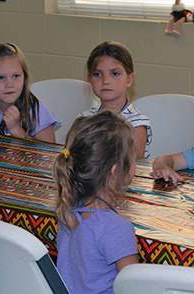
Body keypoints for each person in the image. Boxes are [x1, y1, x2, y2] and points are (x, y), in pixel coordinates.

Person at [53, 111, 139, 294]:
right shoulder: (116, 228)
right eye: (133, 159)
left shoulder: (67, 211)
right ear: (116, 171)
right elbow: (133, 287)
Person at [79, 41, 151, 158]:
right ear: (89, 79)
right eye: (97, 74)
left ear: (129, 80)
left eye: (115, 73)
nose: (105, 80)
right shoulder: (84, 120)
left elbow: (131, 170)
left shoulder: (136, 125)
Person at [0, 43, 60, 143]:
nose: (9, 84)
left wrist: (16, 129)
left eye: (16, 76)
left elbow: (48, 153)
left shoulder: (38, 109)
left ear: (24, 77)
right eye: (0, 77)